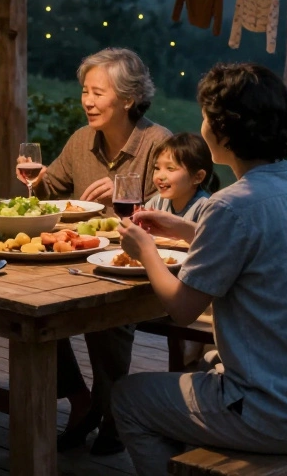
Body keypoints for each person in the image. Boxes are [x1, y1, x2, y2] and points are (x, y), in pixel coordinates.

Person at [112, 63, 287, 475]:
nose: (203, 125)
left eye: (206, 116)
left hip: (276, 414)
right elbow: (263, 248)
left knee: (128, 398)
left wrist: (146, 252)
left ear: (222, 129)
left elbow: (181, 308)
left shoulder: (230, 205)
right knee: (201, 372)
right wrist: (190, 229)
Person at [27, 47, 173, 455]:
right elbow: (50, 189)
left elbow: (180, 204)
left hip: (140, 268)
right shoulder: (81, 141)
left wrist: (131, 193)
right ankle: (82, 398)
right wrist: (36, 180)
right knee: (32, 307)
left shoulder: (156, 143)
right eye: (85, 92)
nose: (87, 101)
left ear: (128, 98)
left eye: (97, 92)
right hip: (82, 262)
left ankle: (112, 416)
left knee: (107, 321)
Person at [141, 132, 220, 222]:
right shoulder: (157, 202)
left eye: (170, 168)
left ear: (198, 177)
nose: (160, 176)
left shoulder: (206, 209)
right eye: (157, 168)